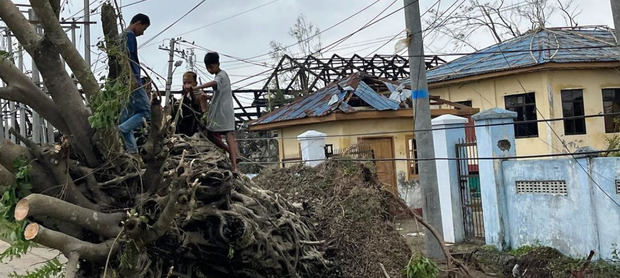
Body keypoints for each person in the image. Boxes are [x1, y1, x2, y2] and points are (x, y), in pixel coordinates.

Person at [193, 52, 241, 171]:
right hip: (226, 110)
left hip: (221, 111)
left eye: (211, 67)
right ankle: (234, 159)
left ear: (218, 64)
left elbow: (214, 83)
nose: (209, 69)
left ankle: (232, 154)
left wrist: (198, 88)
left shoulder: (221, 75)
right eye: (208, 67)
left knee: (211, 132)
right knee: (229, 134)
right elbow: (218, 93)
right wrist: (208, 97)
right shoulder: (221, 76)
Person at [118, 13, 150, 156]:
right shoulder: (129, 35)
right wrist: (133, 79)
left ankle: (133, 153)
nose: (142, 33)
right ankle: (121, 129)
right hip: (132, 81)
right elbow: (127, 57)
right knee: (146, 111)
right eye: (143, 29)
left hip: (122, 82)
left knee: (127, 116)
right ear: (138, 23)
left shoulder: (120, 35)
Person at [173, 71, 206, 136]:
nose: (186, 85)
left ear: (195, 83)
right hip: (185, 123)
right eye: (184, 83)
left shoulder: (199, 94)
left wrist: (191, 92)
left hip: (196, 124)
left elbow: (196, 105)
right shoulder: (185, 94)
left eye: (189, 82)